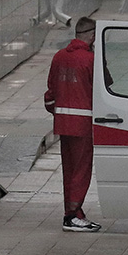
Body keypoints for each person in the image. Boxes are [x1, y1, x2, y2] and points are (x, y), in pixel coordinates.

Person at [44, 16, 102, 232]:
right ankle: (73, 215)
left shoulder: (59, 57)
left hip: (63, 123)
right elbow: (102, 89)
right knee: (81, 171)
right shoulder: (90, 60)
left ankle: (72, 212)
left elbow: (50, 93)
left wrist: (58, 112)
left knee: (69, 169)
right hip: (83, 124)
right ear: (93, 36)